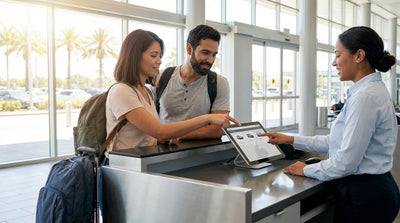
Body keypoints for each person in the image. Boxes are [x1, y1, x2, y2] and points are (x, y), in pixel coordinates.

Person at [260, 26, 400, 223]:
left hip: (365, 196)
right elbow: (337, 141)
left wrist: (306, 169)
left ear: (359, 55)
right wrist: (291, 139)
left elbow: (346, 161)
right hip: (372, 190)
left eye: (338, 55)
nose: (334, 62)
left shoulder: (365, 97)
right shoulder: (368, 92)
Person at [99, 29, 239, 212]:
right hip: (123, 172)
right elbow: (159, 130)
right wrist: (206, 118)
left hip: (144, 168)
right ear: (135, 56)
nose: (159, 61)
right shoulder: (121, 91)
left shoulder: (146, 91)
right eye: (154, 55)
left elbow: (151, 134)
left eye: (160, 56)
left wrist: (160, 139)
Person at [153, 24, 231, 142]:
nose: (210, 60)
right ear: (189, 49)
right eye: (205, 53)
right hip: (161, 154)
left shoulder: (219, 83)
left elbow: (218, 129)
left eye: (214, 54)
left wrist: (177, 136)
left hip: (201, 157)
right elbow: (149, 122)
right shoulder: (160, 78)